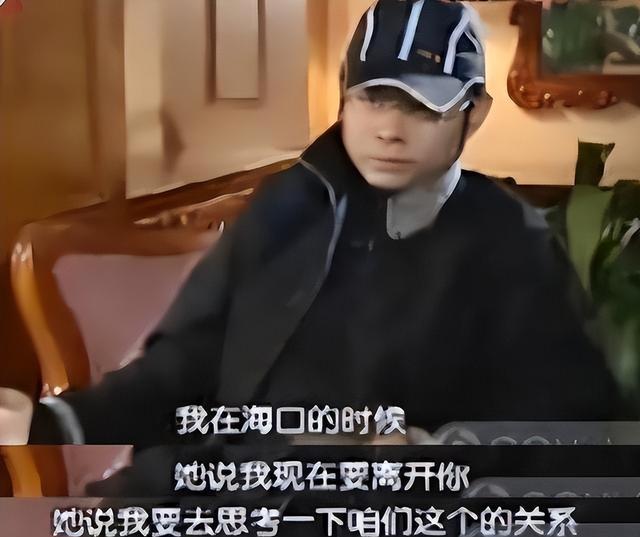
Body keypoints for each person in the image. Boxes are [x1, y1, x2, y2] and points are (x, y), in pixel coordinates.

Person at [29, 0, 628, 447]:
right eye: (373, 99)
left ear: (473, 115)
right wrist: (54, 422)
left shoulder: (512, 241)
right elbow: (186, 362)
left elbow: (572, 415)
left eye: (422, 107)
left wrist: (438, 448)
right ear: (345, 97)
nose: (389, 130)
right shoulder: (288, 205)